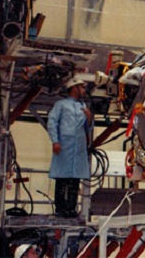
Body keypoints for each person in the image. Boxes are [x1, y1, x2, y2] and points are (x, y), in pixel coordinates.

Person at [47, 76, 92, 218]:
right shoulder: (61, 104)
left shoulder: (83, 106)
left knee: (74, 180)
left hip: (78, 147)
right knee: (62, 178)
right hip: (64, 146)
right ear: (74, 88)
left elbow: (87, 128)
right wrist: (55, 141)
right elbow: (52, 122)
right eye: (82, 87)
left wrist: (89, 118)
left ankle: (71, 208)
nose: (84, 90)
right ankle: (60, 208)